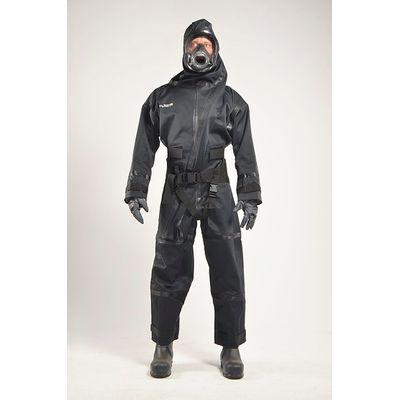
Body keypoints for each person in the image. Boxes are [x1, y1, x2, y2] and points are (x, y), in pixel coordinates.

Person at [124, 18, 262, 379]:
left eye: (207, 44)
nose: (201, 49)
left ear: (215, 51)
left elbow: (244, 151)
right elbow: (145, 145)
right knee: (168, 268)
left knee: (228, 268)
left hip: (217, 190)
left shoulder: (232, 101)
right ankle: (163, 344)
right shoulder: (162, 98)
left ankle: (231, 346)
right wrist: (137, 189)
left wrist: (249, 194)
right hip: (176, 192)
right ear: (186, 49)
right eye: (195, 44)